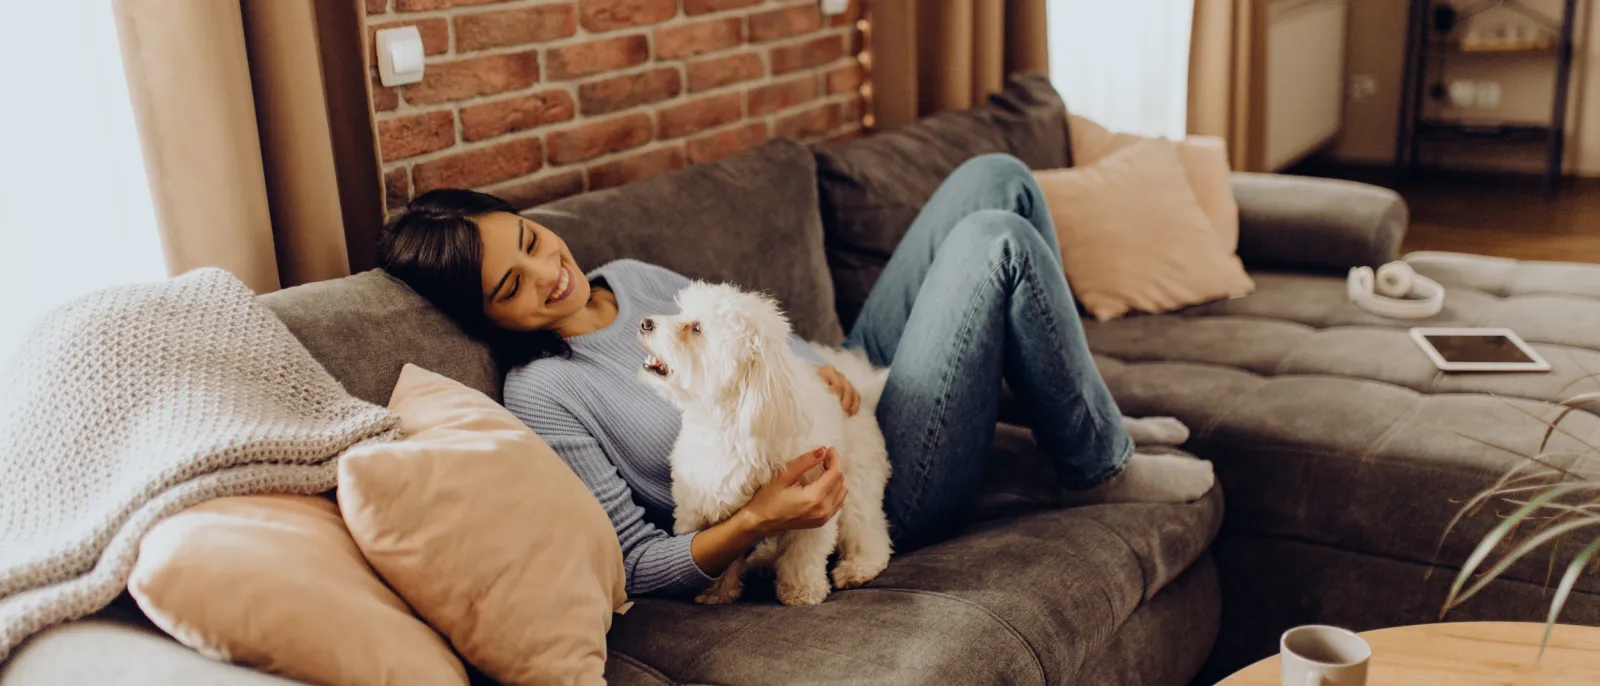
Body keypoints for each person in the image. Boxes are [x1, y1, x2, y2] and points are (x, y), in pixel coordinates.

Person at [377, 154, 1214, 597]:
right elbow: (636, 561)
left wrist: (820, 368)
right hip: (852, 488)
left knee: (997, 178)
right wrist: (758, 520)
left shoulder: (628, 276)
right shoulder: (544, 394)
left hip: (841, 393)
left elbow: (754, 337)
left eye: (527, 240)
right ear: (486, 316)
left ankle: (1083, 415)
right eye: (510, 286)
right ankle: (1093, 464)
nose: (546, 273)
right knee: (995, 236)